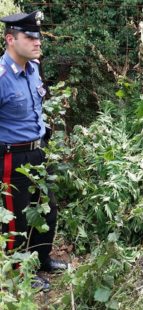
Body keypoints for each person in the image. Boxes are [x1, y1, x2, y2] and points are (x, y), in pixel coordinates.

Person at [0, 10, 67, 291]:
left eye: (38, 37)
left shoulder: (34, 68)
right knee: (16, 220)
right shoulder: (1, 77)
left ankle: (41, 259)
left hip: (39, 152)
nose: (37, 42)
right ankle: (17, 273)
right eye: (30, 37)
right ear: (10, 39)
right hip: (11, 158)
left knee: (48, 210)